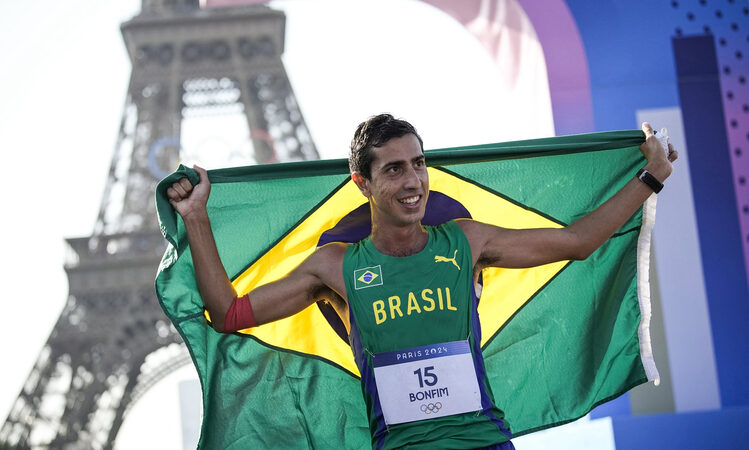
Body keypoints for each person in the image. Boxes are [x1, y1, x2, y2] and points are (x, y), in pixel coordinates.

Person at [166, 114, 677, 449]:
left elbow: (577, 242)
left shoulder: (466, 241)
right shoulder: (335, 266)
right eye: (394, 170)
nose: (413, 181)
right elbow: (228, 315)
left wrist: (651, 176)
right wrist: (196, 217)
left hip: (483, 439)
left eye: (419, 164)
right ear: (361, 183)